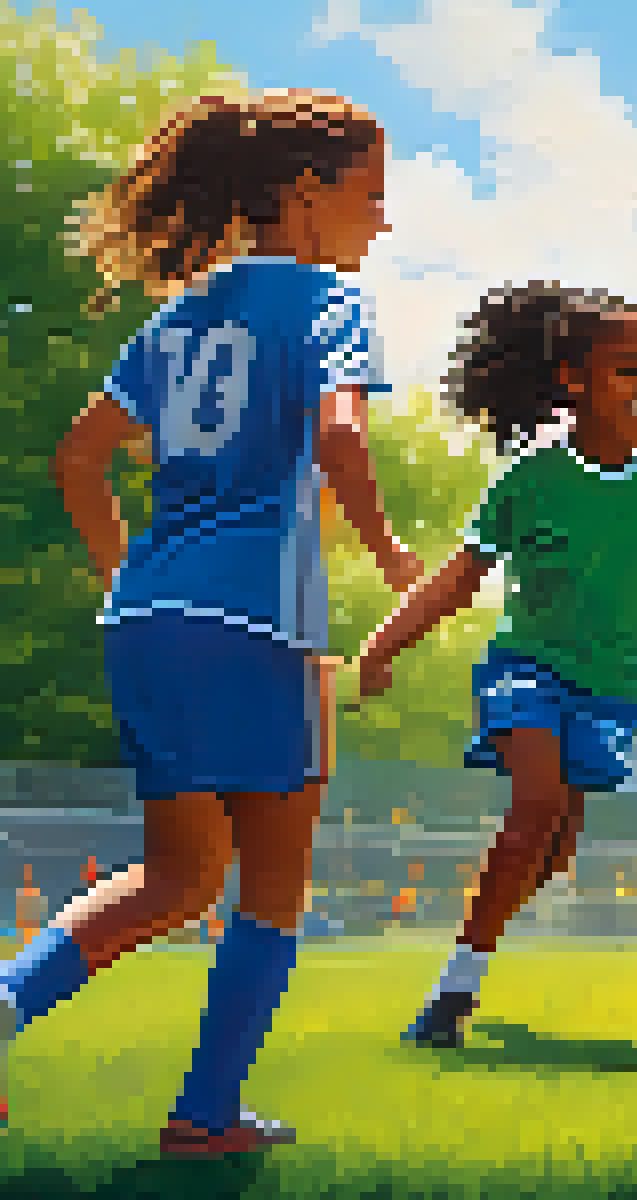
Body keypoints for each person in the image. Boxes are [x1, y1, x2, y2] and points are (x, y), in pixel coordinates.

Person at [18, 90, 417, 1154]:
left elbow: (78, 459)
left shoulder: (177, 316)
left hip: (148, 618)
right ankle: (205, 1114)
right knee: (275, 879)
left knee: (180, 877)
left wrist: (122, 581)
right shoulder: (328, 304)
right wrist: (390, 556)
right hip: (260, 624)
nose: (383, 220)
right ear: (307, 193)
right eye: (373, 195)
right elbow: (340, 437)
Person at [357, 282, 637, 1049]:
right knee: (534, 806)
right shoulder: (530, 483)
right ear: (573, 382)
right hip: (526, 673)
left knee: (554, 849)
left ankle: (484, 923)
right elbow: (459, 580)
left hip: (613, 691)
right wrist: (384, 644)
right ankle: (456, 986)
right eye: (629, 370)